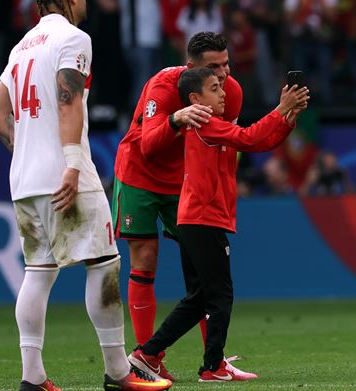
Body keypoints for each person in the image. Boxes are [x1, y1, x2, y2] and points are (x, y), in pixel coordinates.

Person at [0, 0, 171, 391]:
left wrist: (25, 149)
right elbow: (69, 101)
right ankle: (119, 372)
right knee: (103, 264)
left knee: (38, 271)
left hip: (25, 179)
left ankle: (32, 379)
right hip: (67, 174)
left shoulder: (20, 47)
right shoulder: (74, 38)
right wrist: (69, 163)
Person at [113, 31, 290, 379]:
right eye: (214, 67)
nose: (223, 75)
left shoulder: (230, 92)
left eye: (226, 64)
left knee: (201, 278)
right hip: (139, 175)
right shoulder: (163, 87)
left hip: (186, 184)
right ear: (191, 67)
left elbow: (227, 144)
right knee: (147, 258)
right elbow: (149, 146)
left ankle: (212, 358)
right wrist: (177, 119)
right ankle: (151, 355)